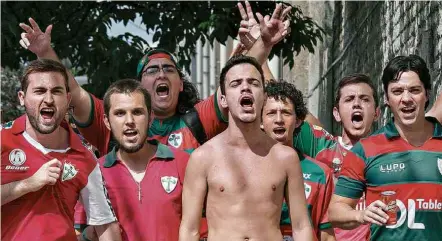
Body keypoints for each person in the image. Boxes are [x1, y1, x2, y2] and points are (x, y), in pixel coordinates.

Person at [18, 1, 291, 156]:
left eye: (169, 69)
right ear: (140, 85)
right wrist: (44, 51)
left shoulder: (199, 119)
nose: (161, 73)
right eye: (152, 70)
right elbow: (73, 92)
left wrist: (264, 44)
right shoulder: (112, 119)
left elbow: (240, 80)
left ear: (180, 84)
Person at [179, 55, 313, 241]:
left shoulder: (286, 158)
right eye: (236, 83)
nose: (245, 87)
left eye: (253, 82)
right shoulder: (203, 158)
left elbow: (301, 226)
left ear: (264, 97)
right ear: (224, 100)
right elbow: (190, 229)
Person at [1, 59, 121, 241]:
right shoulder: (3, 139)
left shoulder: (84, 157)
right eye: (39, 91)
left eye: (56, 91)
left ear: (68, 98)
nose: (48, 99)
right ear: (21, 97)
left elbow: (105, 224)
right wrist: (28, 184)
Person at [329, 55, 442, 240]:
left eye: (414, 90)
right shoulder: (365, 150)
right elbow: (335, 211)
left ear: (427, 94)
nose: (406, 98)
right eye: (397, 91)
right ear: (387, 98)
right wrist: (361, 214)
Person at [77, 79, 191, 241]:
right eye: (120, 113)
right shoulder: (93, 174)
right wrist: (89, 235)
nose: (129, 121)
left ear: (150, 117)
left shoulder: (183, 163)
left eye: (137, 112)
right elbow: (77, 233)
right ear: (107, 121)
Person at [261, 80, 336, 241]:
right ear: (260, 122)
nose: (279, 119)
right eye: (271, 113)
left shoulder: (320, 173)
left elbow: (327, 236)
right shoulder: (245, 169)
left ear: (298, 120)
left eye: (286, 113)